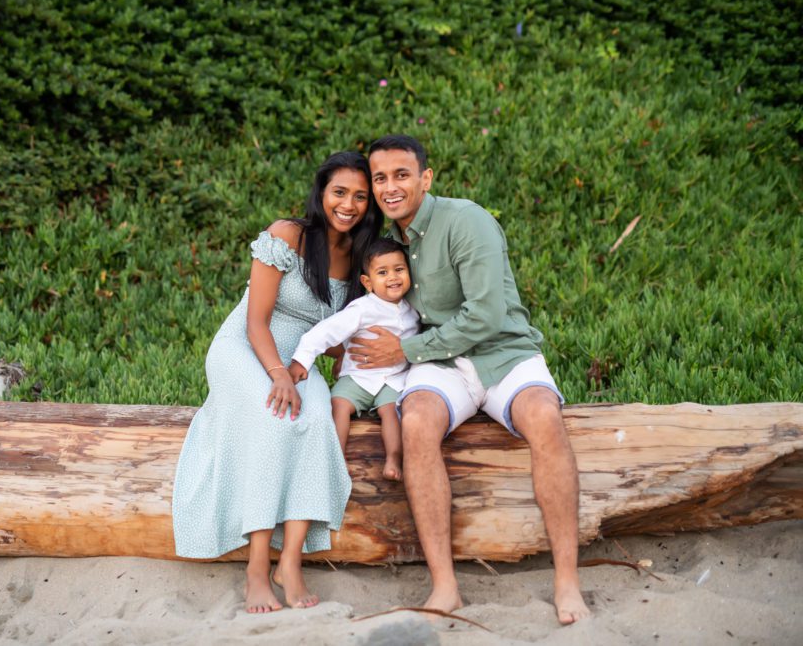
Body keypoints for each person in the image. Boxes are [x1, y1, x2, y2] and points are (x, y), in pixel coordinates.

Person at [348, 134, 591, 624]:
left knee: (544, 415)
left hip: (503, 351)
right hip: (442, 364)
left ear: (425, 178)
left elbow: (485, 315)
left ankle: (567, 583)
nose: (390, 187)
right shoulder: (390, 237)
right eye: (380, 178)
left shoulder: (467, 221)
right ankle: (445, 587)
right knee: (416, 421)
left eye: (401, 175)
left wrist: (405, 350)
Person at [172, 151, 383, 614]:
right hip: (248, 350)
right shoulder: (286, 236)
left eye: (360, 197)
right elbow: (256, 321)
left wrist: (370, 365)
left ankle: (289, 563)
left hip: (300, 361)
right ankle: (254, 569)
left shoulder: (362, 256)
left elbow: (332, 335)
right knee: (277, 419)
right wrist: (277, 374)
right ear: (321, 193)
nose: (348, 204)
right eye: (339, 192)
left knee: (316, 421)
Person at [287, 238, 419, 481]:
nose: (393, 277)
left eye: (399, 270)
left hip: (393, 378)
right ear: (367, 282)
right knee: (339, 405)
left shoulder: (413, 310)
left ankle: (394, 458)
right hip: (358, 376)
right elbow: (325, 332)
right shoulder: (362, 309)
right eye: (383, 272)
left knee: (392, 412)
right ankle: (335, 459)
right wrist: (301, 360)